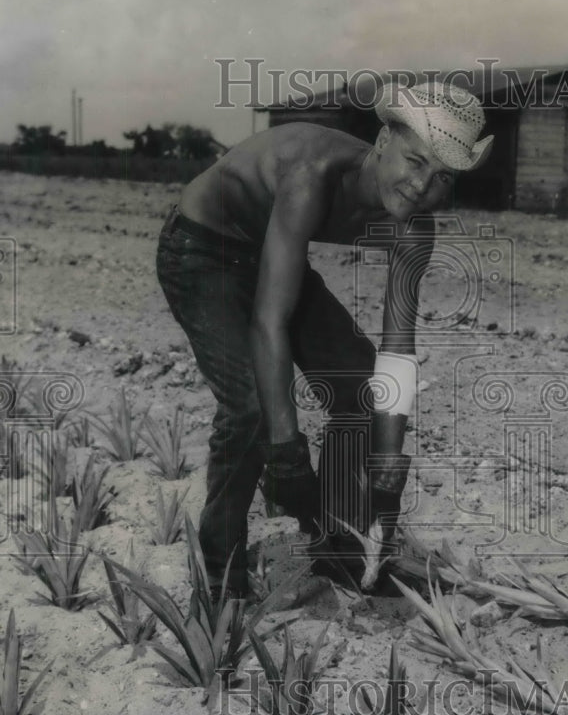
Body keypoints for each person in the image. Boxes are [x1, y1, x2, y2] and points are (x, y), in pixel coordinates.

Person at [156, 81, 494, 599]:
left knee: (358, 384)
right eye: (415, 160)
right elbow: (270, 322)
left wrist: (386, 466)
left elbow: (396, 351)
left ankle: (341, 550)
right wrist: (286, 452)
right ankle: (222, 577)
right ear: (383, 141)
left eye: (442, 176)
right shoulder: (312, 176)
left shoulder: (414, 230)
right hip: (202, 249)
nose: (421, 185)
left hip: (267, 252)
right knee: (249, 409)